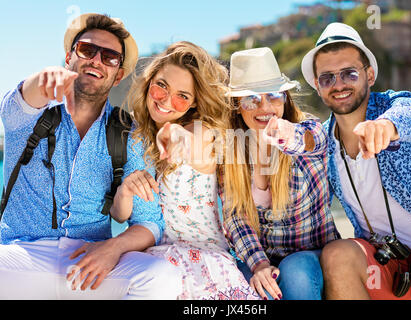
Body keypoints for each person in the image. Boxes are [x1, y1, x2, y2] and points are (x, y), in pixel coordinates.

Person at [0, 13, 181, 299]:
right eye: (87, 50)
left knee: (162, 278)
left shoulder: (129, 132)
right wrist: (41, 80)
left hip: (93, 260)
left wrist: (112, 248)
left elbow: (150, 223)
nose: (96, 60)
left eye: (109, 57)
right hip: (21, 256)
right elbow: (22, 99)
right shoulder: (27, 116)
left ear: (118, 74)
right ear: (68, 58)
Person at [301, 22, 411, 299]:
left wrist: (384, 128)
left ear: (369, 75)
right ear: (318, 87)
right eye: (327, 78)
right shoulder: (321, 140)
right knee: (338, 254)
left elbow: (409, 115)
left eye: (349, 73)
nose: (339, 84)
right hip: (385, 265)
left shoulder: (399, 105)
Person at [111, 41, 260, 300]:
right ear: (149, 82)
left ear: (193, 103)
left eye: (183, 96)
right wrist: (124, 192)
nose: (167, 100)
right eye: (162, 86)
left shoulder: (202, 132)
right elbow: (120, 216)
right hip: (157, 261)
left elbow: (196, 143)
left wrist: (176, 135)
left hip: (206, 265)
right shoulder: (136, 139)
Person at [219, 47, 340, 300]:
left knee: (294, 271)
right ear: (237, 106)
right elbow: (236, 218)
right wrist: (259, 264)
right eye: (251, 98)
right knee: (228, 277)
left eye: (273, 95)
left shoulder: (308, 131)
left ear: (285, 98)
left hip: (313, 254)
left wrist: (287, 136)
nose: (265, 106)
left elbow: (314, 140)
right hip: (264, 259)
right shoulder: (230, 154)